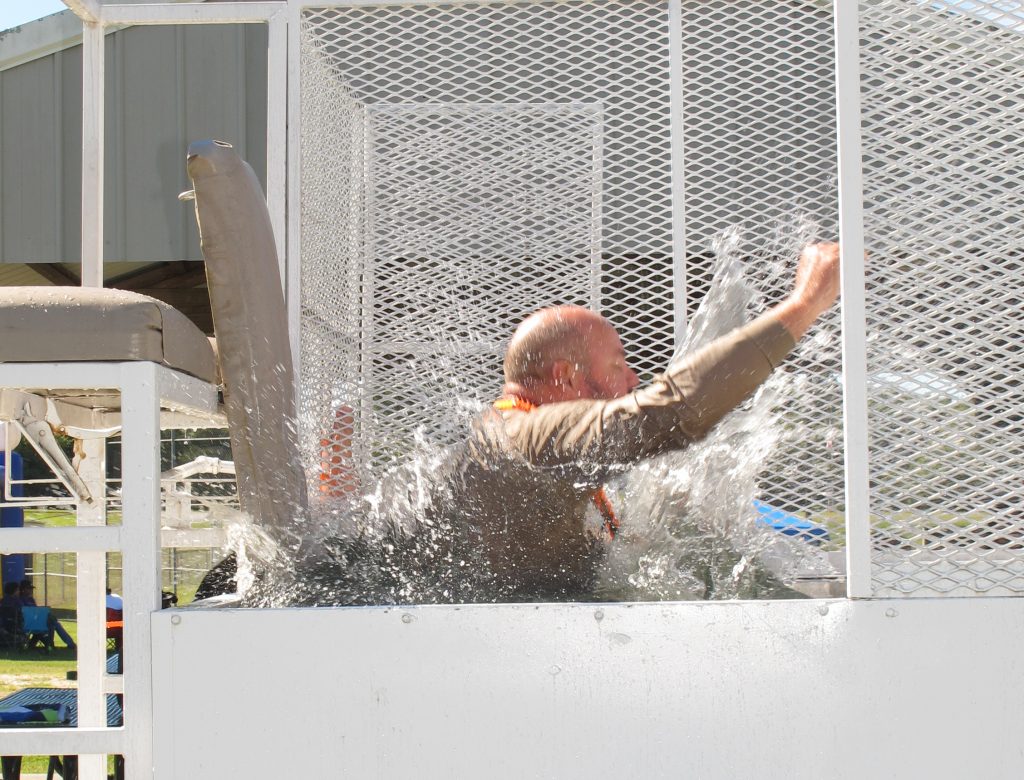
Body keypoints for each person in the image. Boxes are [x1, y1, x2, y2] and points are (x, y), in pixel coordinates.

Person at [439, 241, 842, 601]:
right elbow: (670, 412)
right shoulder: (529, 437)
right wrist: (805, 303)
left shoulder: (517, 438)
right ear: (565, 376)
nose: (633, 380)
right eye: (618, 366)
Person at [19, 578, 76, 650]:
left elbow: (36, 611)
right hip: (28, 622)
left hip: (36, 621)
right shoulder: (20, 599)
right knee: (53, 622)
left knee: (53, 623)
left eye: (31, 588)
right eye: (29, 588)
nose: (31, 590)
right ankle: (66, 644)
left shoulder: (31, 599)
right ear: (23, 589)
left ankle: (53, 644)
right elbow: (24, 612)